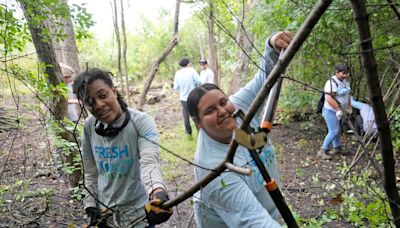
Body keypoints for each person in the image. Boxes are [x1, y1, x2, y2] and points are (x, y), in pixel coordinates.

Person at [187, 31, 292, 227]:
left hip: (269, 209)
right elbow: (253, 220)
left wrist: (272, 44)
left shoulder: (236, 107)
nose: (222, 111)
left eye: (223, 102)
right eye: (209, 111)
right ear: (198, 123)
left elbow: (266, 78)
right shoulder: (213, 168)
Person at [72, 69, 172, 227]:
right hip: (105, 214)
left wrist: (157, 192)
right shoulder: (90, 126)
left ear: (114, 91)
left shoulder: (141, 122)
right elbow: (91, 171)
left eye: (103, 95)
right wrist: (91, 205)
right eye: (90, 102)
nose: (99, 105)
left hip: (138, 215)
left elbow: (149, 162)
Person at [319, 63, 352, 159]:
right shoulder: (331, 83)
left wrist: (349, 106)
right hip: (330, 110)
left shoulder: (346, 81)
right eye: (343, 73)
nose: (345, 75)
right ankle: (322, 150)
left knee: (337, 130)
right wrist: (337, 109)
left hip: (341, 110)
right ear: (337, 72)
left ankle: (337, 148)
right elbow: (329, 98)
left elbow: (348, 94)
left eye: (347, 73)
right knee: (334, 130)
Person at [173, 58, 201, 139]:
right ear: (188, 64)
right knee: (196, 115)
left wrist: (182, 90)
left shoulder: (177, 73)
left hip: (183, 98)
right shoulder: (191, 70)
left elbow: (176, 87)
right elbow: (199, 81)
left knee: (186, 116)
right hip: (193, 97)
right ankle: (200, 132)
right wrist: (195, 87)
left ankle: (189, 134)